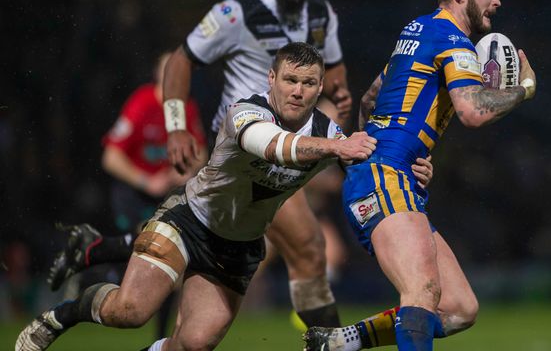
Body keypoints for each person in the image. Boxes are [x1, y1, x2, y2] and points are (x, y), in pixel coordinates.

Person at [17, 43, 429, 351]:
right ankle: (63, 314)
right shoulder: (245, 112)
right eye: (290, 80)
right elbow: (271, 145)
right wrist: (335, 148)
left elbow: (371, 170)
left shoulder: (329, 134)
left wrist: (411, 170)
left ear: (319, 85)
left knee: (194, 344)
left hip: (238, 249)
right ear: (272, 79)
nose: (298, 91)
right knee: (131, 312)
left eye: (307, 83)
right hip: (188, 221)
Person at [304, 0, 537, 351]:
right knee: (422, 292)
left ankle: (342, 342)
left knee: (460, 308)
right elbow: (472, 112)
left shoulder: (416, 29)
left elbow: (370, 100)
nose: (498, 1)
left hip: (386, 173)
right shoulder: (453, 40)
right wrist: (524, 90)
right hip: (386, 174)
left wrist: (379, 157)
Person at [163, 0, 353, 328]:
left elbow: (333, 66)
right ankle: (328, 337)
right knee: (308, 246)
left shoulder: (321, 13)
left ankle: (113, 253)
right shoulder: (235, 14)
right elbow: (181, 60)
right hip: (244, 153)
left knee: (307, 249)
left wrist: (339, 90)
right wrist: (177, 127)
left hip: (294, 143)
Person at [46, 52, 207, 340]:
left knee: (168, 270)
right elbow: (111, 157)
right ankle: (89, 266)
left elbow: (200, 155)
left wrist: (181, 172)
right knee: (150, 263)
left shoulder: (187, 110)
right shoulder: (142, 102)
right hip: (134, 197)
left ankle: (90, 259)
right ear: (162, 76)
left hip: (165, 197)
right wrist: (148, 180)